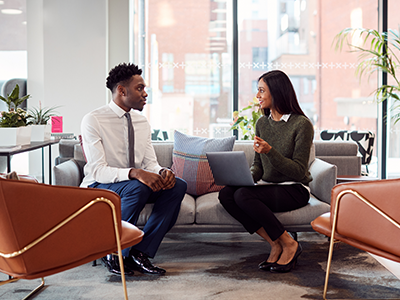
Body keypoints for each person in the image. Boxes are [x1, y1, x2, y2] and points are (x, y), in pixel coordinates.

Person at [80, 62, 187, 276]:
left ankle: (140, 251)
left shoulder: (142, 122)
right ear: (121, 90)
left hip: (135, 185)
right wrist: (135, 173)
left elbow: (149, 163)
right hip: (101, 185)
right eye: (140, 88)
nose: (145, 94)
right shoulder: (93, 120)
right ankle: (114, 252)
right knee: (137, 188)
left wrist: (162, 172)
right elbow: (98, 170)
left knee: (177, 186)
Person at [218, 70, 314, 273]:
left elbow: (298, 170)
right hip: (270, 187)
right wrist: (243, 178)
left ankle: (289, 243)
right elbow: (258, 166)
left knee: (243, 196)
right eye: (257, 91)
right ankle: (274, 242)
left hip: (294, 189)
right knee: (227, 193)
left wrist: (270, 151)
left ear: (277, 92)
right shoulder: (262, 123)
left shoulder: (301, 125)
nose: (257, 96)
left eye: (261, 90)